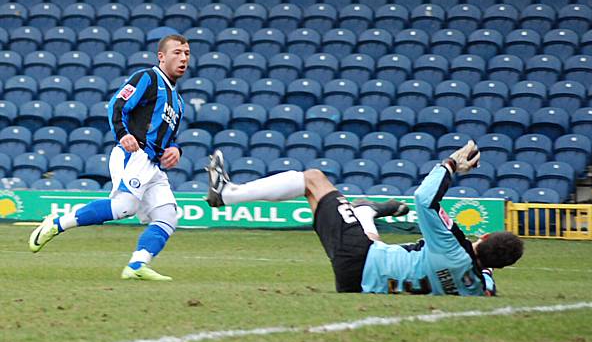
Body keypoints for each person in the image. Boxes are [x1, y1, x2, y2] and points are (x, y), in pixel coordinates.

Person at [205, 141, 524, 295]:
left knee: (314, 179)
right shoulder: (480, 288)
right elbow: (487, 280)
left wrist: (451, 164)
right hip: (359, 283)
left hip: (359, 258)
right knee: (377, 239)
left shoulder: (453, 246)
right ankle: (366, 212)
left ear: (482, 238)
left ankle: (226, 194)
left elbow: (424, 199)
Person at [28, 34, 191, 281]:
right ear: (161, 56)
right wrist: (123, 133)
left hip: (154, 166)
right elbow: (117, 104)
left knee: (168, 216)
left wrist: (176, 150)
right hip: (134, 155)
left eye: (187, 53)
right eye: (177, 52)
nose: (183, 58)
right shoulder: (147, 78)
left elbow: (170, 137)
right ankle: (57, 224)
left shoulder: (178, 102)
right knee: (124, 207)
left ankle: (137, 266)